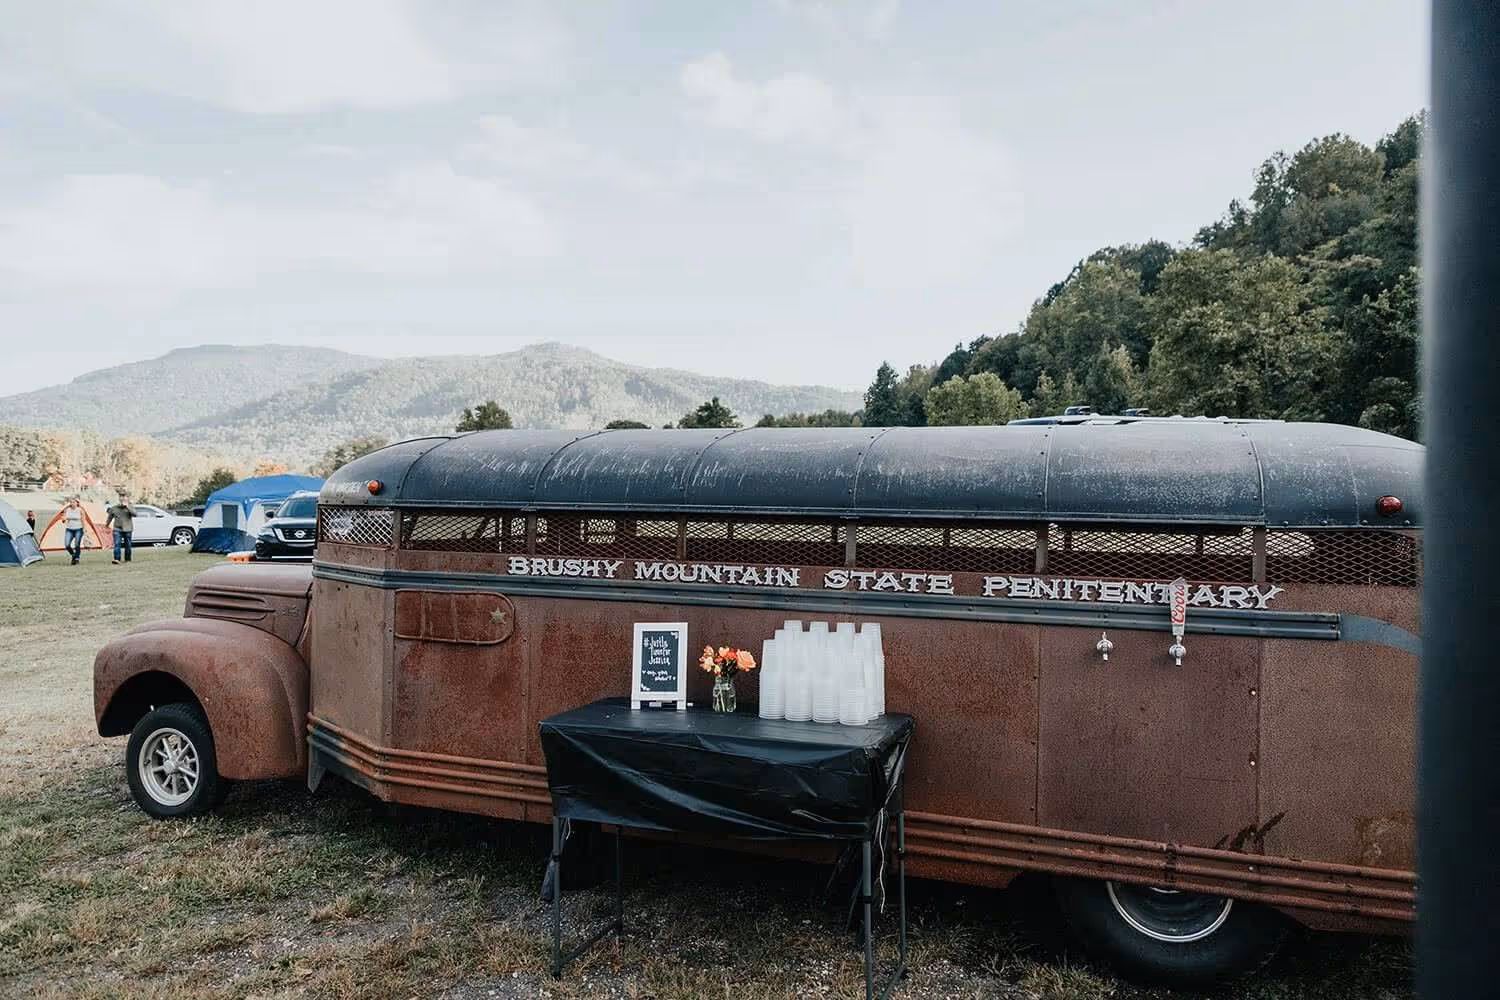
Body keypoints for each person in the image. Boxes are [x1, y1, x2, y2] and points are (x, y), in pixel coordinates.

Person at [106, 494, 134, 565]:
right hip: (117, 529)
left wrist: (127, 506)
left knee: (128, 544)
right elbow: (109, 517)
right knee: (117, 544)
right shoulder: (114, 508)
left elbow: (135, 514)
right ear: (119, 499)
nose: (123, 499)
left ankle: (127, 559)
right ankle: (117, 559)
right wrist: (106, 525)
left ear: (127, 499)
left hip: (128, 529)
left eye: (124, 497)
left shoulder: (130, 506)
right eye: (121, 497)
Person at [62, 498, 84, 565]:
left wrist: (85, 529)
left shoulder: (80, 510)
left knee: (77, 545)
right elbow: (64, 520)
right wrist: (63, 519)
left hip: (78, 529)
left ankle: (77, 558)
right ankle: (73, 555)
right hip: (69, 529)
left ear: (77, 503)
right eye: (71, 502)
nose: (72, 503)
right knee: (67, 545)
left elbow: (83, 520)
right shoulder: (67, 510)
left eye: (73, 502)